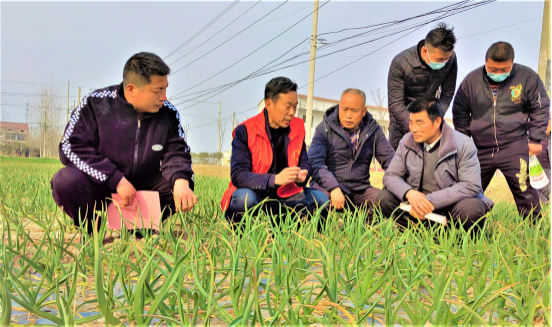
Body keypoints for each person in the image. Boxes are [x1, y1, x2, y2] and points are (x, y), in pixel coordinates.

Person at [51, 52, 197, 235]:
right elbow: (70, 146)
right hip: (103, 185)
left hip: (143, 188)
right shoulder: (95, 105)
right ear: (131, 90)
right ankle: (93, 228)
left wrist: (181, 181)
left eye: (165, 89)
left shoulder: (168, 113)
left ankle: (139, 228)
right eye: (157, 90)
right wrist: (115, 178)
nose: (164, 97)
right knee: (64, 182)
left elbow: (177, 151)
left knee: (180, 184)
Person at [453, 41, 550, 219]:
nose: (498, 74)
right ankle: (464, 226)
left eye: (504, 70)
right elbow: (459, 113)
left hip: (514, 146)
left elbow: (541, 107)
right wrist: (466, 142)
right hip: (479, 148)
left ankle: (534, 230)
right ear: (485, 61)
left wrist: (536, 139)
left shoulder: (527, 77)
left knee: (525, 191)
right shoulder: (471, 82)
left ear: (512, 63)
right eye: (493, 69)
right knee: (468, 189)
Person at [221, 77, 329, 224]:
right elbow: (238, 175)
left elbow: (305, 162)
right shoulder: (245, 131)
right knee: (243, 199)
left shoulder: (297, 127)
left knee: (322, 200)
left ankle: (297, 231)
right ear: (269, 104)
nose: (292, 113)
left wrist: (303, 174)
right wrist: (275, 179)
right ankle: (241, 235)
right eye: (287, 106)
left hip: (287, 194)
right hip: (257, 193)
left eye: (295, 107)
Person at [378, 98, 493, 229]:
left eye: (419, 123)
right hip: (414, 207)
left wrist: (428, 201)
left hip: (448, 208)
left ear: (437, 121)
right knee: (384, 198)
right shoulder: (406, 141)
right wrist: (409, 193)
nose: (413, 129)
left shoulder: (463, 144)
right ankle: (414, 230)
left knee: (471, 209)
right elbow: (391, 176)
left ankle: (450, 236)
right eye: (411, 123)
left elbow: (471, 185)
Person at [308, 88, 395, 212]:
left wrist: (397, 187)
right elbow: (315, 163)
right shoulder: (324, 128)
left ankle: (367, 226)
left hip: (360, 190)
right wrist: (333, 187)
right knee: (320, 199)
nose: (348, 115)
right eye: (344, 109)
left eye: (354, 111)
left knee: (386, 199)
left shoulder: (373, 130)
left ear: (364, 111)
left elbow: (391, 161)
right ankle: (322, 230)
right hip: (328, 188)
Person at [387, 22, 458, 150]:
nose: (444, 62)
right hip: (401, 124)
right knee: (396, 166)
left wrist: (434, 120)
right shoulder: (400, 63)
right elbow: (395, 104)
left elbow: (447, 94)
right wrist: (415, 127)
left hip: (429, 123)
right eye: (439, 59)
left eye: (446, 59)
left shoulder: (451, 59)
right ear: (425, 50)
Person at [536, 119, 551, 203]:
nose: (548, 123)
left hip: (548, 168)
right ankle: (544, 203)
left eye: (550, 120)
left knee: (545, 192)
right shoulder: (536, 136)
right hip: (535, 167)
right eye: (547, 120)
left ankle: (544, 209)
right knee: (533, 190)